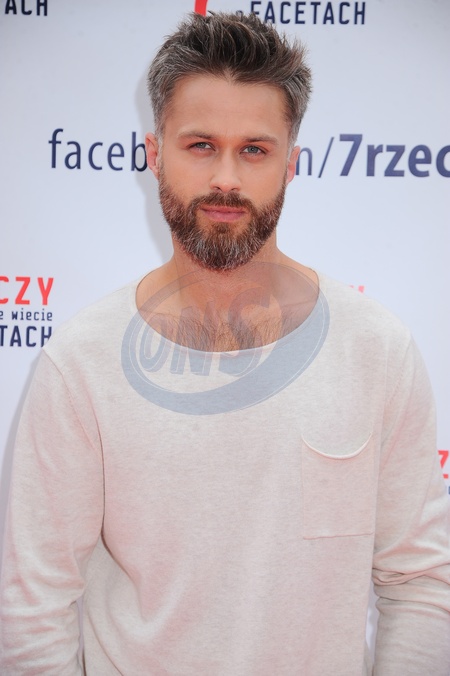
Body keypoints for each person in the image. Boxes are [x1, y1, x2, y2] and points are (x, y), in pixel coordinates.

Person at [1, 11, 449, 676]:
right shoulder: (81, 362)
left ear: (292, 163)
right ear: (154, 153)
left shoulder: (376, 350)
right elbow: (34, 607)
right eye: (201, 145)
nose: (227, 180)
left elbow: (420, 583)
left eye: (255, 150)